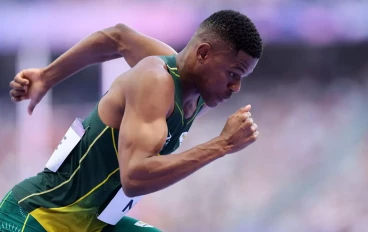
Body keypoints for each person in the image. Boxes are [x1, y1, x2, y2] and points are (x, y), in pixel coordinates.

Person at [3, 10, 262, 232]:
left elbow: (118, 37)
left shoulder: (192, 82)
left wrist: (47, 76)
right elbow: (135, 177)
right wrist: (221, 145)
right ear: (203, 53)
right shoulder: (156, 80)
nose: (236, 87)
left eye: (242, 78)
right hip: (36, 218)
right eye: (232, 73)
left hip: (93, 224)